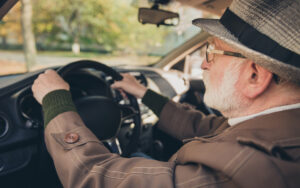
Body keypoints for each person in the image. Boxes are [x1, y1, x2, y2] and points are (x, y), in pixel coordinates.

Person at [32, 0, 300, 187]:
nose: (204, 64)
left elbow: (97, 178)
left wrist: (56, 101)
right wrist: (142, 92)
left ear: (255, 76)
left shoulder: (252, 170)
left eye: (211, 52)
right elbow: (202, 126)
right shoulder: (274, 128)